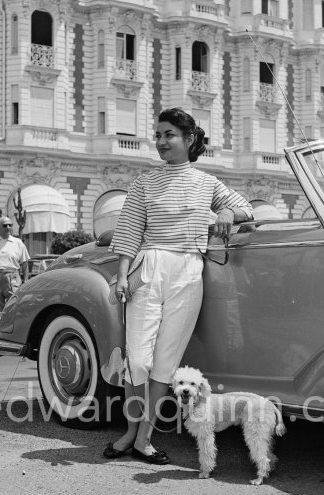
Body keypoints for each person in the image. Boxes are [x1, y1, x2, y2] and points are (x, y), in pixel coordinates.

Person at [103, 108, 254, 465]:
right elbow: (128, 233)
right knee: (137, 358)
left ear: (189, 140)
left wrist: (227, 214)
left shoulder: (207, 183)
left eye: (169, 135)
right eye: (157, 135)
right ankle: (128, 431)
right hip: (150, 265)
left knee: (165, 364)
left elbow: (246, 208)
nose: (161, 142)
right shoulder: (143, 182)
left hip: (189, 269)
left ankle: (143, 437)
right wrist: (123, 275)